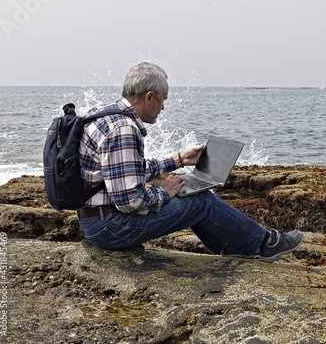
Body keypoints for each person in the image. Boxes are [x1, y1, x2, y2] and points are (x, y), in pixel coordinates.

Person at [77, 62, 302, 262]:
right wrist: (165, 193)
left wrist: (179, 160)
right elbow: (130, 201)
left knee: (186, 189)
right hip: (111, 228)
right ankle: (264, 244)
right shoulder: (123, 129)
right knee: (199, 199)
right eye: (162, 100)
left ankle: (229, 246)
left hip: (96, 221)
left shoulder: (103, 115)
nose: (163, 107)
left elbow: (127, 172)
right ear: (149, 97)